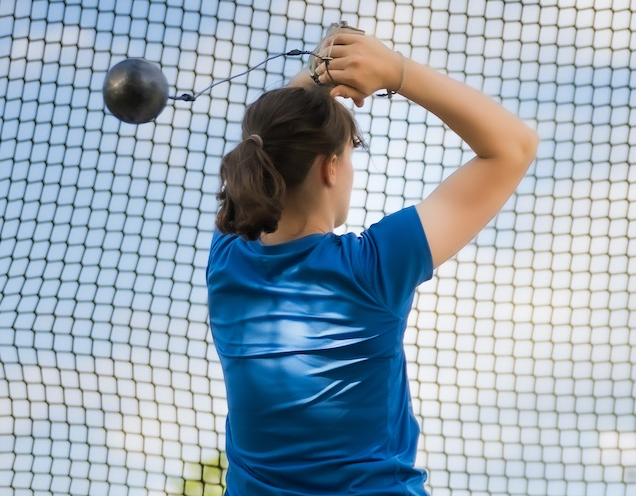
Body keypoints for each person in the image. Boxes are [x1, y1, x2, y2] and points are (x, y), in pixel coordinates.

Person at [205, 27, 538, 496]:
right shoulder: (372, 269)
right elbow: (513, 145)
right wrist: (395, 72)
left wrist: (318, 74)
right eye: (349, 153)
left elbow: (270, 132)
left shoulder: (225, 264)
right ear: (330, 167)